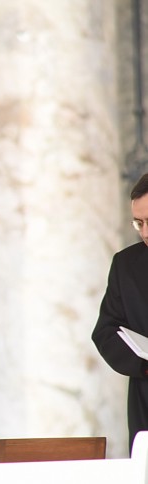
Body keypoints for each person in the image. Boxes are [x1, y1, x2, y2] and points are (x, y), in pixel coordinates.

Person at [93, 172, 148, 453]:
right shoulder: (125, 265)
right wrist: (144, 364)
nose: (145, 232)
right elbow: (105, 331)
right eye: (139, 222)